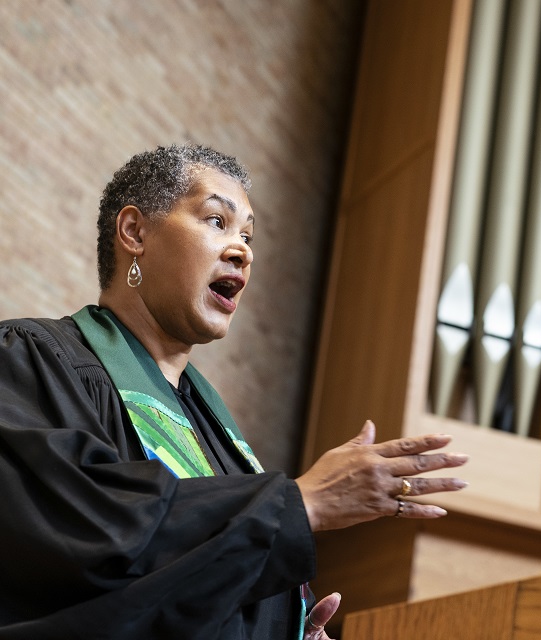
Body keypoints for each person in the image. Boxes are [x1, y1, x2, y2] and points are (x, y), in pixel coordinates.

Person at [0, 143, 468, 639]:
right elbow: (91, 537)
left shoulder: (219, 439)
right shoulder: (33, 361)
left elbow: (197, 582)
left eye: (247, 235)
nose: (242, 249)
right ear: (135, 232)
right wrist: (300, 505)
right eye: (216, 221)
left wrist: (287, 626)